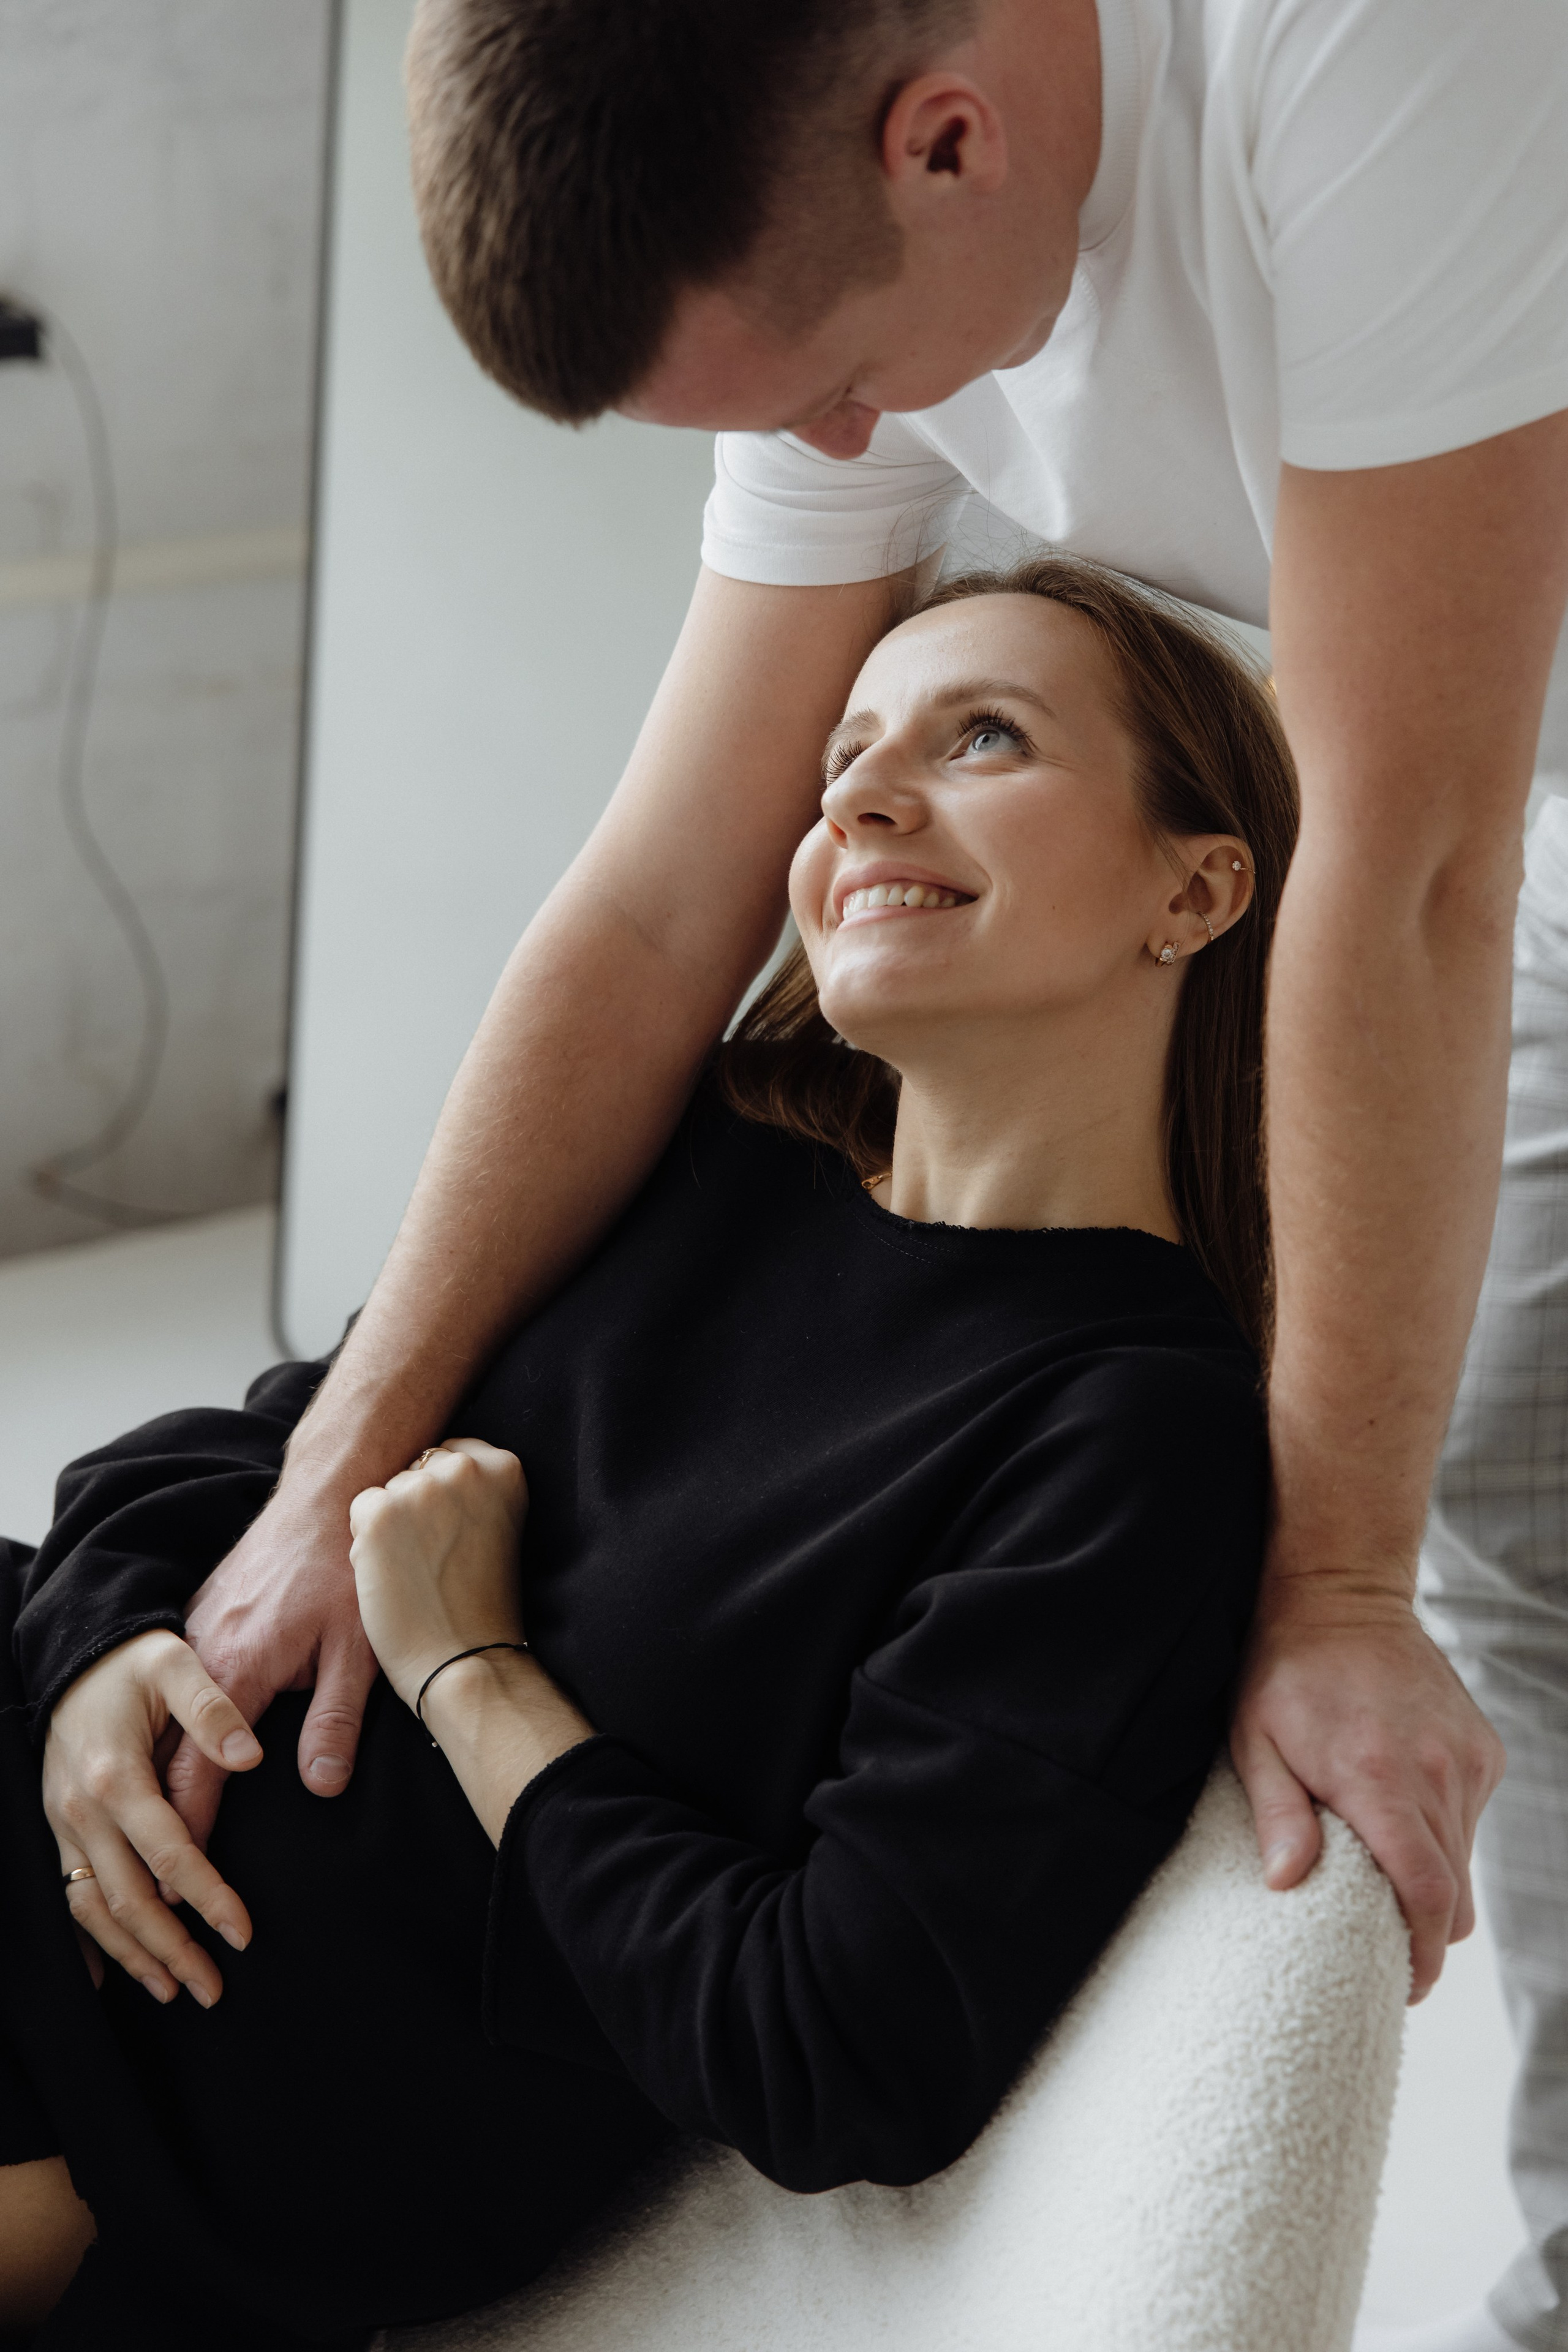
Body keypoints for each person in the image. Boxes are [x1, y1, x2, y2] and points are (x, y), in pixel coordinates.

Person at [63, 2, 1568, 2344]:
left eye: (837, 387)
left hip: (1495, 759)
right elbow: (662, 901)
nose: (856, 458)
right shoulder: (736, 1169)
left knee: (1512, 1549)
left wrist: (1345, 1573)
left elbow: (1414, 869)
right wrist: (274, 1524)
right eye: (856, 754)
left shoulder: (1372, 56)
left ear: (948, 138)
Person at [0, 563, 1287, 2346]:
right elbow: (262, 1445)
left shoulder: (1132, 1431)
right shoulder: (712, 1143)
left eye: (983, 737)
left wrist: (473, 1667)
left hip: (177, 2109)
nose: (859, 799)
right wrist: (85, 1668)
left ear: (1198, 884)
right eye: (845, 756)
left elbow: (835, 2045)